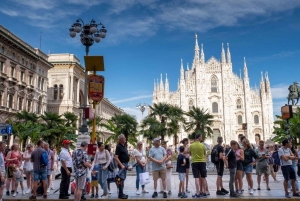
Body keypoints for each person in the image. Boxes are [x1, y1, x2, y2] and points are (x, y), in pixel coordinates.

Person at [189, 133, 207, 198]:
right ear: (199, 137)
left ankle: (198, 192)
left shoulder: (191, 145)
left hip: (194, 162)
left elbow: (190, 154)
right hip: (202, 162)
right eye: (201, 137)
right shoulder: (203, 146)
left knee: (196, 178)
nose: (201, 138)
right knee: (203, 177)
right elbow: (204, 154)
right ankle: (204, 192)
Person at [114, 134, 130, 199]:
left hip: (125, 164)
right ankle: (120, 194)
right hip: (122, 164)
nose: (125, 139)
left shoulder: (123, 146)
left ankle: (121, 193)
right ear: (120, 140)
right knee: (120, 179)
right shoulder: (118, 146)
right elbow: (116, 157)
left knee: (122, 179)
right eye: (123, 138)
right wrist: (121, 165)